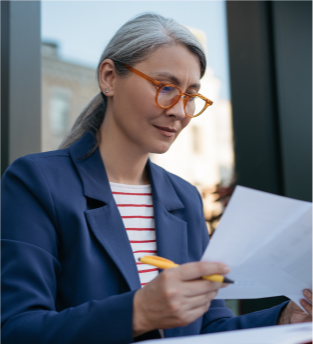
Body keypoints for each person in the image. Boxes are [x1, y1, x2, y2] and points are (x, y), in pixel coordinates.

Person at [0, 13, 312, 344]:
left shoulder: (184, 197)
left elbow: (206, 329)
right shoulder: (37, 181)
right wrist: (140, 312)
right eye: (166, 87)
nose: (180, 110)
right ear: (109, 78)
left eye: (191, 95)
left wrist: (283, 319)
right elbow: (16, 330)